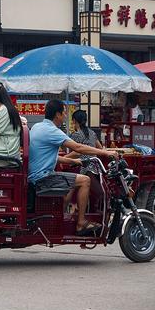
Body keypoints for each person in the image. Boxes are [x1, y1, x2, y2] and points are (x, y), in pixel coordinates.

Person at [29, 99, 118, 235]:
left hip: (36, 176)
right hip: (44, 178)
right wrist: (106, 152)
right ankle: (81, 223)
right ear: (57, 114)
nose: (65, 116)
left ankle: (64, 216)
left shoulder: (37, 127)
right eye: (64, 113)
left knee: (73, 182)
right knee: (85, 181)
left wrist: (72, 161)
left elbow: (46, 157)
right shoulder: (52, 131)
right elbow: (77, 147)